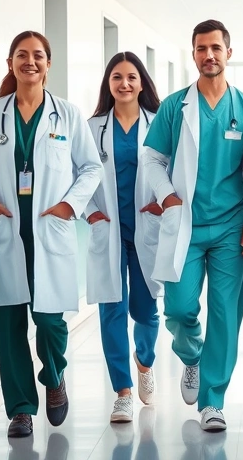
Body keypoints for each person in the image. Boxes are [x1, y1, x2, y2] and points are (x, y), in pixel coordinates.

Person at [0, 31, 103, 438]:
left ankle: (55, 376)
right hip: (7, 230)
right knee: (8, 326)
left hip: (48, 230)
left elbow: (91, 168)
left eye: (38, 56)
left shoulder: (68, 115)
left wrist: (69, 206)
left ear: (48, 64)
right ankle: (21, 409)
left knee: (49, 322)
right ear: (10, 63)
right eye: (22, 55)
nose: (30, 62)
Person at [143, 19, 243, 432]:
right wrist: (168, 195)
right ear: (193, 54)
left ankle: (214, 401)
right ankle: (192, 355)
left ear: (229, 53)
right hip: (186, 227)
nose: (209, 55)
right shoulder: (174, 106)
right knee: (178, 309)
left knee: (226, 315)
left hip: (232, 227)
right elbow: (152, 159)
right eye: (201, 48)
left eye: (216, 47)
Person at [85, 51, 164, 423]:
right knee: (111, 310)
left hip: (147, 226)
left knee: (145, 312)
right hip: (110, 228)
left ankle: (144, 363)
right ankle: (123, 391)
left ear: (142, 83)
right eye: (117, 77)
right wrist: (90, 212)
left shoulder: (159, 123)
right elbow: (77, 175)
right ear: (108, 84)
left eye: (132, 77)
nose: (125, 84)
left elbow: (177, 168)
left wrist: (165, 202)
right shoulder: (93, 127)